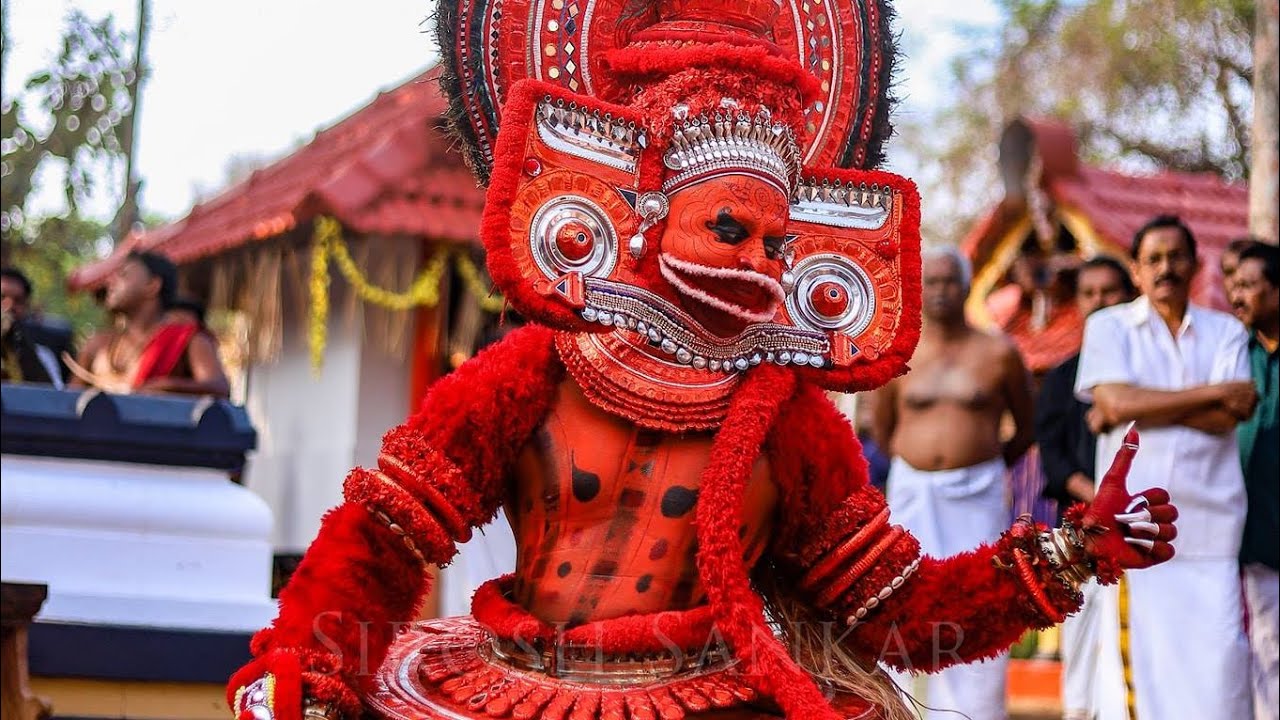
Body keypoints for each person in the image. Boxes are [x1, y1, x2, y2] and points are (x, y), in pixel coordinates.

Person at [227, 3, 1179, 719]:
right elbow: (383, 539)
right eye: (731, 227)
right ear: (645, 216)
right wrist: (307, 673)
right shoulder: (531, 372)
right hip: (514, 688)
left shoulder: (792, 418)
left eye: (778, 244)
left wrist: (1071, 554)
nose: (762, 263)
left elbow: (893, 612)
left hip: (720, 696)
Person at [1076, 214, 1257, 720]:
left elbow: (1230, 418)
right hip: (1138, 532)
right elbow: (1111, 403)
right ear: (1135, 271)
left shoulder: (1226, 332)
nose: (1165, 268)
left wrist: (1142, 405)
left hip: (1212, 530)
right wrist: (1212, 392)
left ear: (1197, 266)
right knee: (1141, 678)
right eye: (1152, 259)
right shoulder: (1108, 326)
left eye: (1176, 257)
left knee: (1221, 668)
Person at [870, 245, 1036, 720]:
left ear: (967, 286)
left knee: (980, 601)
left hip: (978, 491)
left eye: (950, 281)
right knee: (898, 602)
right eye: (932, 281)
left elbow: (1025, 427)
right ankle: (894, 711)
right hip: (912, 492)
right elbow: (883, 429)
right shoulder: (900, 351)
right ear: (920, 288)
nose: (940, 290)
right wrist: (919, 463)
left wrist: (981, 464)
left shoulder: (998, 352)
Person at [1034, 255, 1136, 720]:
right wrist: (1097, 496)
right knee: (1079, 634)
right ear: (1077, 302)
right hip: (1080, 530)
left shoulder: (1144, 372)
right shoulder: (1059, 378)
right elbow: (1051, 456)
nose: (1099, 302)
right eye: (1089, 293)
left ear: (1129, 296)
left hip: (1140, 527)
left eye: (1109, 292)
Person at [1228, 241, 1280, 720]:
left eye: (1247, 284)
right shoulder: (1232, 352)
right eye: (1233, 283)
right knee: (1267, 649)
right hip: (1256, 533)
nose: (1235, 294)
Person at [71, 251, 229, 398]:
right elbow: (68, 404)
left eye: (124, 275)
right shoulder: (97, 345)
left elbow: (220, 389)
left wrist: (167, 386)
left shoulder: (188, 340)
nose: (111, 283)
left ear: (152, 285)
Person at [1, 267, 73, 387]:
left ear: (26, 306)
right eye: (1, 297)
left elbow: (52, 397)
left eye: (18, 301)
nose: (9, 306)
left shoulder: (42, 354)